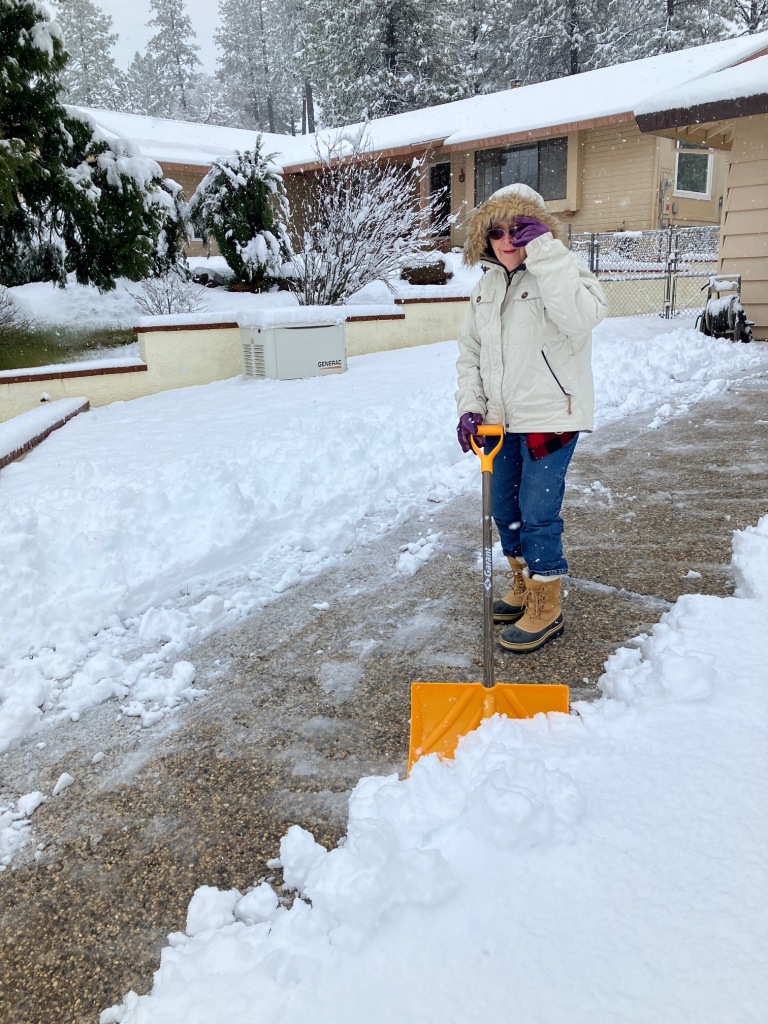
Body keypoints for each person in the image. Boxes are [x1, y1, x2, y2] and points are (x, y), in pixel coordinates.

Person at [455, 183, 607, 653]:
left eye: (519, 229)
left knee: (538, 513)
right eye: (497, 231)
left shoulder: (563, 271)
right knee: (505, 510)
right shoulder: (485, 287)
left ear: (538, 231)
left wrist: (544, 250)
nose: (507, 240)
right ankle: (523, 582)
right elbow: (471, 353)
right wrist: (470, 406)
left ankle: (546, 603)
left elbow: (580, 318)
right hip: (499, 421)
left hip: (550, 416)